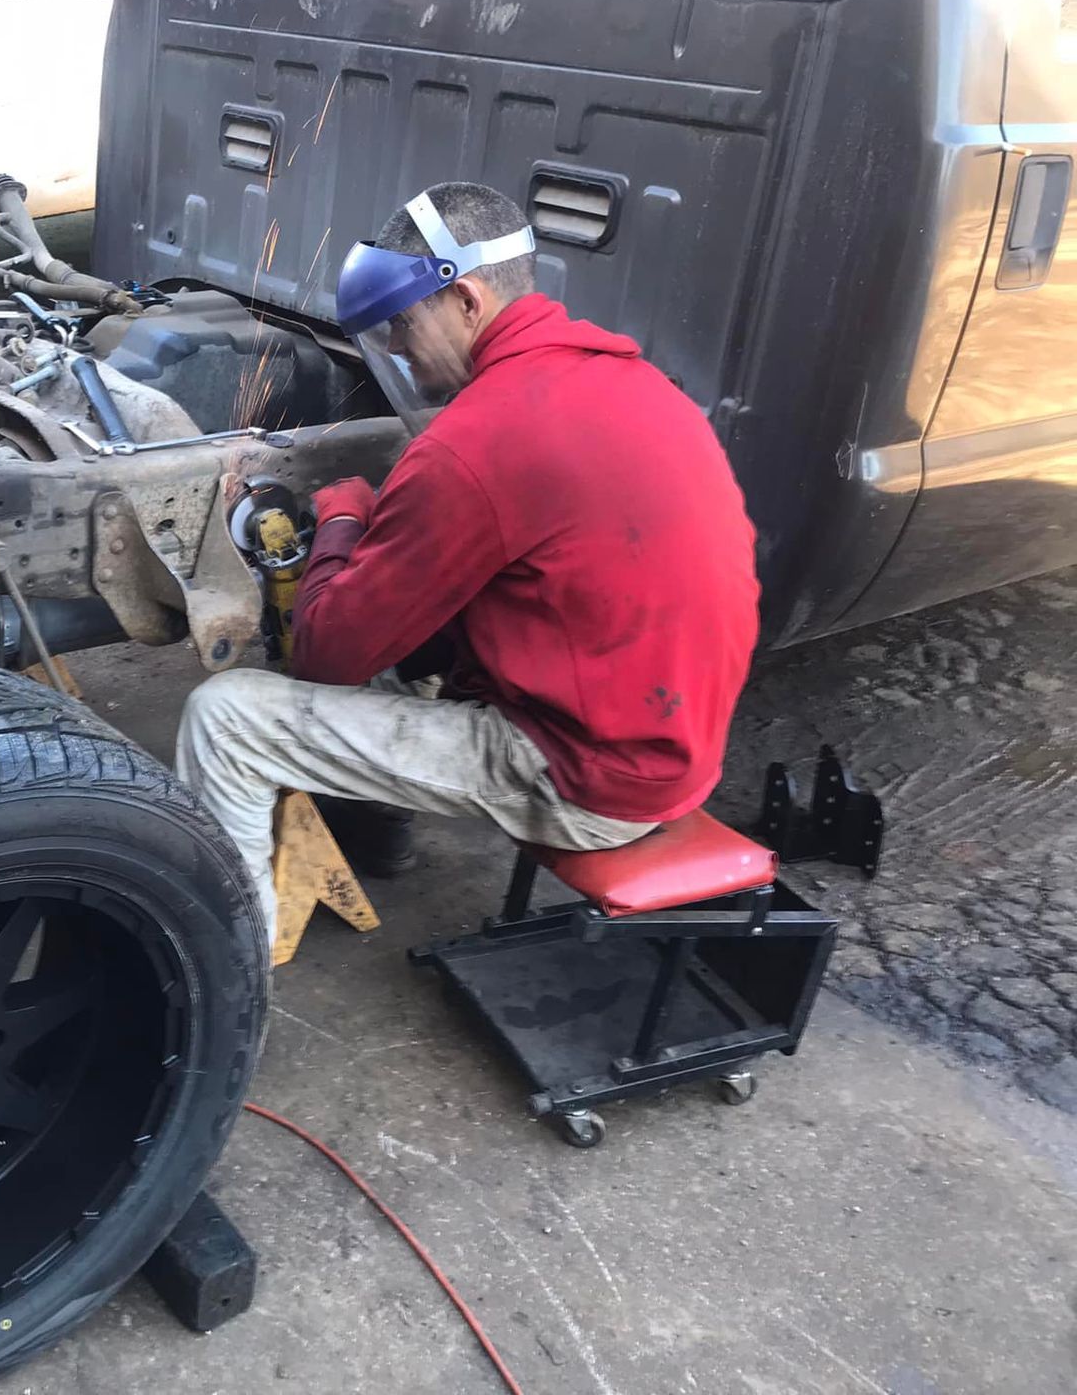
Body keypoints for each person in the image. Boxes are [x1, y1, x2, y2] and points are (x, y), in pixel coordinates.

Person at [176, 181, 761, 941]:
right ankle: (379, 830)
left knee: (226, 720)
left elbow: (327, 654)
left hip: (590, 783)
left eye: (400, 325)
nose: (393, 349)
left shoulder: (477, 443)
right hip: (673, 739)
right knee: (413, 624)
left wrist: (345, 518)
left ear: (468, 301)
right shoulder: (632, 379)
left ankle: (226, 979)